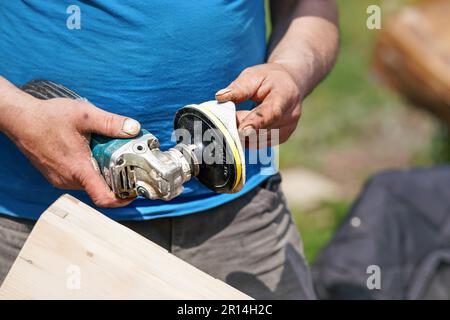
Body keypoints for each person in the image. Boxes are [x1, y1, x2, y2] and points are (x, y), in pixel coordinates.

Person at [0, 0, 339, 299]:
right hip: (34, 223)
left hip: (240, 221)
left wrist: (292, 70)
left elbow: (308, 6)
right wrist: (17, 114)